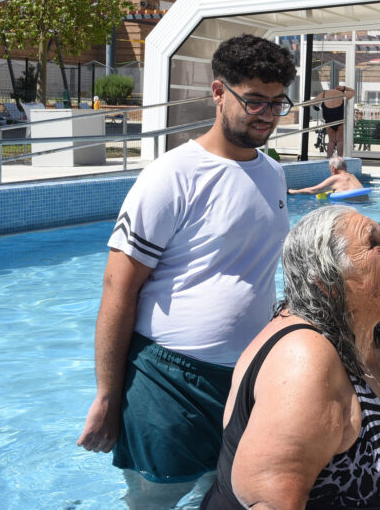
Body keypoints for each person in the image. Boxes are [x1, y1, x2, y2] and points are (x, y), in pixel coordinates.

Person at [77, 34, 297, 508]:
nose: (268, 115)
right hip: (168, 381)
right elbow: (119, 286)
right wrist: (107, 396)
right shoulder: (172, 175)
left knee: (219, 495)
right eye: (254, 101)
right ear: (219, 93)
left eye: (278, 103)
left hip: (244, 380)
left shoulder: (272, 173)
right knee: (155, 498)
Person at [201, 207, 380, 510]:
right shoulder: (305, 359)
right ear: (327, 279)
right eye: (374, 244)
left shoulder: (369, 333)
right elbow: (268, 503)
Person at [287, 155, 364, 196]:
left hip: (348, 204)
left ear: (333, 168)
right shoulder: (352, 176)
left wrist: (294, 191)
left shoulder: (336, 178)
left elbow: (313, 190)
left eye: (330, 169)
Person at [316, 85, 356, 158]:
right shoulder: (343, 95)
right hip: (339, 120)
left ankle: (328, 159)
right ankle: (339, 158)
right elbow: (353, 92)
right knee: (340, 140)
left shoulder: (324, 94)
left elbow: (314, 102)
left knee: (331, 141)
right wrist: (345, 88)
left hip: (329, 121)